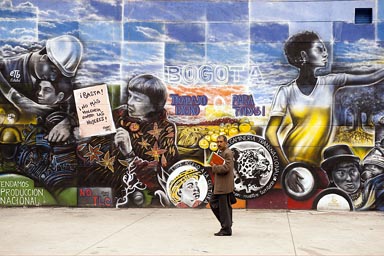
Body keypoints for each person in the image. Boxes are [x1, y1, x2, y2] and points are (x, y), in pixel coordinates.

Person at [265, 31, 384, 169]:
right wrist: (286, 165)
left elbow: (371, 77)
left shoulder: (331, 82)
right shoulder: (286, 92)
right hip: (291, 157)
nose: (326, 53)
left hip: (319, 161)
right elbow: (270, 132)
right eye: (320, 49)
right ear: (304, 55)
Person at [78, 74, 178, 206]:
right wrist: (82, 136)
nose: (129, 102)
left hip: (142, 198)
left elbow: (163, 176)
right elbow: (91, 150)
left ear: (154, 105)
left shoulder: (166, 129)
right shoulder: (118, 115)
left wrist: (130, 154)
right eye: (130, 96)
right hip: (106, 193)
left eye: (137, 99)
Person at [0, 34, 83, 142]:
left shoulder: (62, 80)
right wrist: (18, 99)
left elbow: (92, 103)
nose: (54, 78)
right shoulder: (8, 67)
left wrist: (67, 122)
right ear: (44, 57)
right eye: (53, 70)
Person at [209, 135, 234, 236]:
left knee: (223, 207)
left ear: (225, 143)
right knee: (215, 203)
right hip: (220, 185)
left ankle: (226, 228)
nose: (218, 144)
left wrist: (214, 167)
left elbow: (226, 168)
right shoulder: (221, 152)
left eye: (221, 142)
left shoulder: (228, 153)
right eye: (217, 142)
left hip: (224, 185)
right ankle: (227, 224)